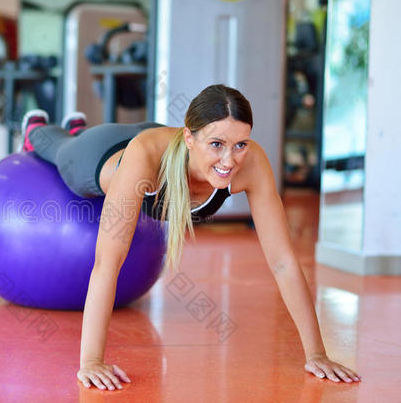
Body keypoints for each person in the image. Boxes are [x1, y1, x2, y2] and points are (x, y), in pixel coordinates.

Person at [20, 84, 362, 390]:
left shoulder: (251, 163)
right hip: (101, 157)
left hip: (158, 136)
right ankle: (44, 129)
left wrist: (317, 353)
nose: (229, 160)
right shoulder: (145, 162)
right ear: (190, 139)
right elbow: (107, 263)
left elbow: (284, 262)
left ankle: (79, 130)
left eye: (240, 143)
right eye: (216, 144)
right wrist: (91, 361)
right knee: (63, 152)